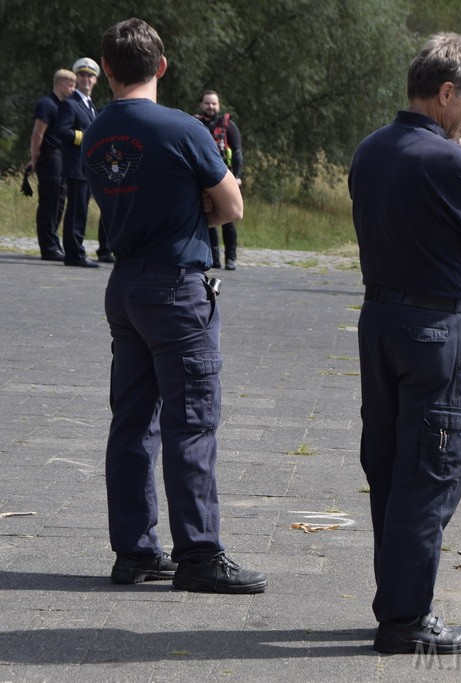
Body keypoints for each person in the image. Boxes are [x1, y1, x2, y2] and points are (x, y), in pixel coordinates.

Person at [348, 32, 461, 655]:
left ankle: (394, 600)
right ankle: (405, 621)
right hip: (434, 332)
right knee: (431, 471)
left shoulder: (370, 150)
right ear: (445, 94)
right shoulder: (449, 160)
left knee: (390, 467)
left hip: (379, 323)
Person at [83, 17, 265, 594]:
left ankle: (135, 551)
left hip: (125, 283)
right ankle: (199, 553)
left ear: (106, 68)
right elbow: (232, 205)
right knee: (191, 421)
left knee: (132, 421)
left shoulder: (95, 132)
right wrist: (196, 216)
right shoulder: (183, 128)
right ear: (161, 66)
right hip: (177, 287)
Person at [56, 57, 104, 267]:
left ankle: (76, 250)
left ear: (95, 80)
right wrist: (87, 137)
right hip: (76, 165)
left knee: (81, 210)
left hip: (87, 167)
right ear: (76, 78)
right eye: (82, 75)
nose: (86, 79)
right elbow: (62, 131)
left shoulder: (89, 105)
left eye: (90, 76)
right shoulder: (70, 103)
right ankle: (74, 253)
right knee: (76, 210)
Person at [28, 69, 77, 261]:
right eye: (70, 85)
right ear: (59, 85)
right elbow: (37, 134)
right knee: (50, 201)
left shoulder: (65, 105)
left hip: (63, 156)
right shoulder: (47, 104)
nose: (73, 89)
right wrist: (34, 157)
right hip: (50, 156)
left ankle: (53, 241)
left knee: (60, 201)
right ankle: (47, 248)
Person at [194, 90, 243, 270]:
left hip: (224, 178)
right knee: (208, 219)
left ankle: (231, 258)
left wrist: (237, 177)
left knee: (228, 219)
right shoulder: (194, 124)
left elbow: (237, 153)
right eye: (207, 103)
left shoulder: (228, 126)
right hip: (202, 179)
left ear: (219, 105)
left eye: (214, 103)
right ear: (201, 104)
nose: (211, 107)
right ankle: (213, 258)